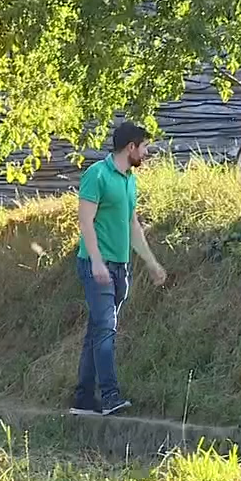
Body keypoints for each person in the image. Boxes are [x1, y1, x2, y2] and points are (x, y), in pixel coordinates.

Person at [70, 121, 167, 417]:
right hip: (95, 265)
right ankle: (110, 396)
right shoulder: (96, 175)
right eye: (145, 146)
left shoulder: (128, 180)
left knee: (97, 331)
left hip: (120, 268)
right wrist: (97, 261)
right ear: (131, 147)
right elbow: (85, 221)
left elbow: (131, 224)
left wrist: (151, 262)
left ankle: (83, 399)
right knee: (106, 329)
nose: (147, 152)